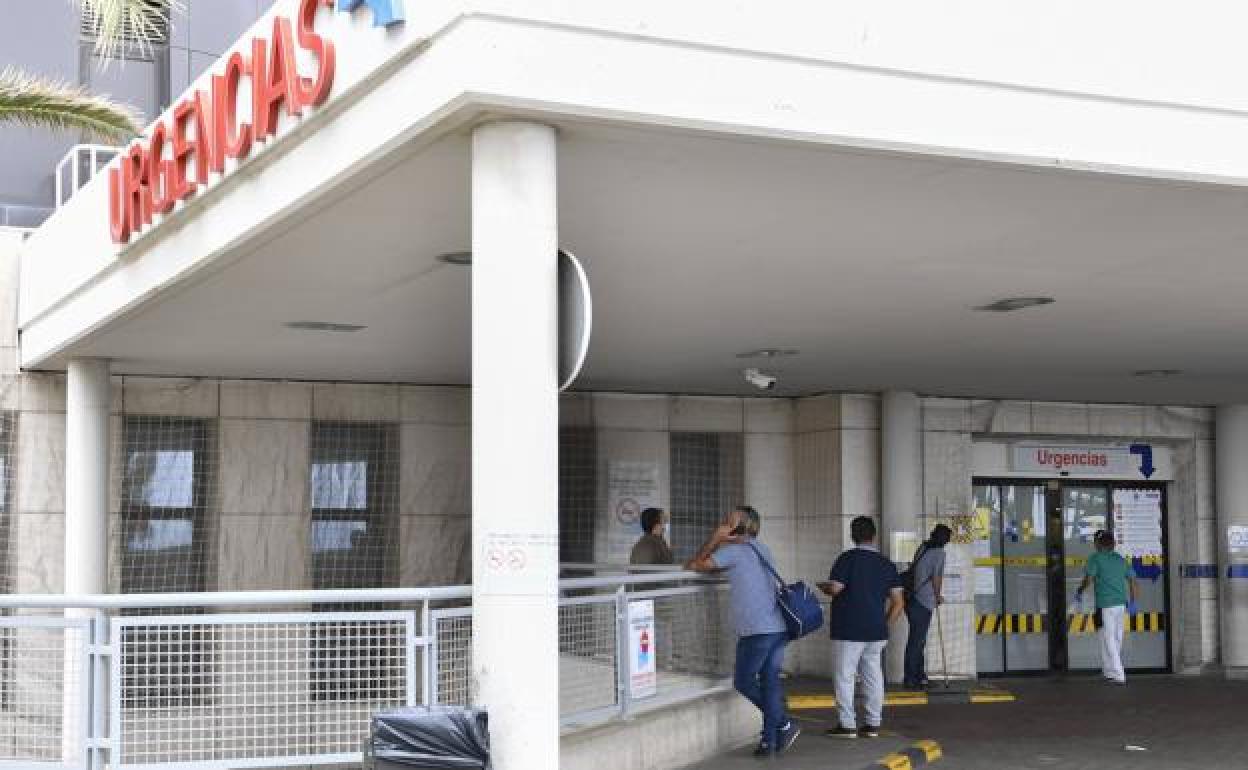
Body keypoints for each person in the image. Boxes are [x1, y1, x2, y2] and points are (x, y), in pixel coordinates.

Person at [686, 506, 801, 757]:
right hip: (777, 628)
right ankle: (769, 741)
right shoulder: (761, 548)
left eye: (730, 519)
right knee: (769, 682)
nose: (725, 521)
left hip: (757, 631)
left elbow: (695, 565)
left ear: (741, 526)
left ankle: (783, 723)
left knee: (744, 681)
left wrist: (716, 538)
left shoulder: (734, 551)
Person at [818, 516, 905, 739]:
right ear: (874, 536)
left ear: (852, 535)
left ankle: (847, 725)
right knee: (873, 676)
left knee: (845, 676)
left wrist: (825, 587)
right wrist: (885, 624)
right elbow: (898, 602)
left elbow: (836, 589)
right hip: (876, 631)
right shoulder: (887, 564)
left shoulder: (847, 559)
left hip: (848, 629)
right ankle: (873, 724)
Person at [1075, 530, 1138, 685]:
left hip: (1105, 606)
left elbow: (1088, 579)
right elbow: (1133, 581)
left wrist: (1080, 590)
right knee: (1113, 637)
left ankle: (1118, 673)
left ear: (1098, 544)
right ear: (1112, 544)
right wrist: (1134, 601)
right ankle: (1109, 670)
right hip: (1120, 604)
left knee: (1109, 637)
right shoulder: (1120, 560)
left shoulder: (1095, 559)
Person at [903, 524, 952, 689]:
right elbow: (936, 577)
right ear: (945, 540)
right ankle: (911, 678)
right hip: (923, 602)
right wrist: (938, 596)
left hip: (910, 598)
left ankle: (919, 676)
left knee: (918, 640)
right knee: (917, 641)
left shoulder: (923, 547)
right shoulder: (939, 554)